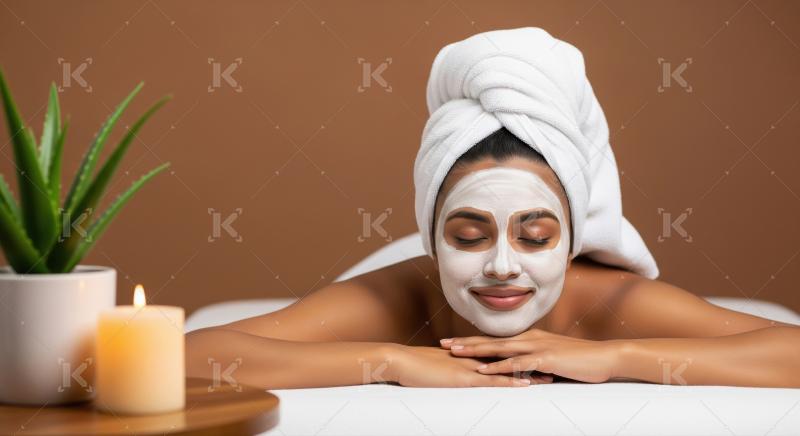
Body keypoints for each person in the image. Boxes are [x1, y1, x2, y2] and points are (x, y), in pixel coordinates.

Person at [185, 28, 800, 389]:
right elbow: (183, 357)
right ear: (431, 239)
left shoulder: (608, 303)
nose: (503, 266)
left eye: (536, 236)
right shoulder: (401, 295)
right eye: (469, 236)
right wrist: (392, 360)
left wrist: (615, 357)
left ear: (571, 239)